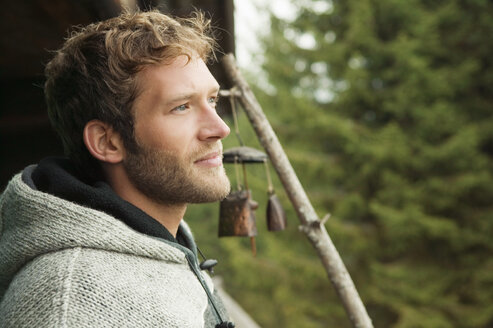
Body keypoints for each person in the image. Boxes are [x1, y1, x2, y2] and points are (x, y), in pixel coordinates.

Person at [0, 10, 236, 328]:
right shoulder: (69, 305)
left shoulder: (169, 246)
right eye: (181, 107)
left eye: (212, 100)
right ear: (108, 142)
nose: (220, 128)